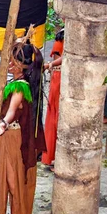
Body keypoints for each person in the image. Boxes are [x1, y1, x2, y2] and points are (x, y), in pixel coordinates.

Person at [0, 31, 46, 214]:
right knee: (6, 179)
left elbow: (12, 111)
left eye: (13, 61)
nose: (10, 64)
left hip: (12, 138)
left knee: (13, 181)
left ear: (21, 65)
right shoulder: (17, 82)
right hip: (9, 137)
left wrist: (2, 125)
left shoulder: (20, 86)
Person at [41, 28, 64, 168]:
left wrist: (50, 65)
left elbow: (66, 56)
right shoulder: (64, 30)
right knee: (52, 113)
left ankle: (56, 157)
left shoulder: (72, 31)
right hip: (55, 76)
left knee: (57, 115)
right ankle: (49, 156)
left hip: (60, 76)